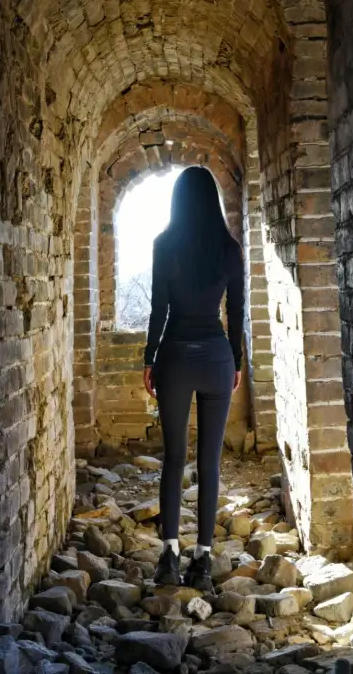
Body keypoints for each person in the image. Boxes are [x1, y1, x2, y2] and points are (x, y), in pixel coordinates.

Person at [142, 166, 244, 591]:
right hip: (217, 359)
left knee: (173, 458)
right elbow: (236, 311)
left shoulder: (164, 244)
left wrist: (149, 359)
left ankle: (169, 556)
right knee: (209, 462)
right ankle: (203, 559)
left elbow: (159, 310)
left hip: (176, 357)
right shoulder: (228, 247)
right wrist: (235, 361)